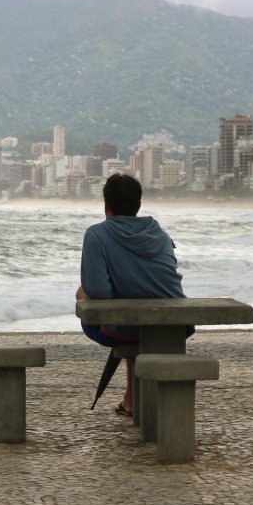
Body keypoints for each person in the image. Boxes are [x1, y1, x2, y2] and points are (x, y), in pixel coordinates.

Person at [75, 173, 187, 417]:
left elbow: (98, 292)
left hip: (126, 326)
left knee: (121, 321)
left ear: (106, 206)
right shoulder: (160, 233)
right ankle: (131, 400)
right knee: (135, 322)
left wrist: (82, 292)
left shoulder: (96, 234)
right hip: (175, 325)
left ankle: (134, 401)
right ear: (138, 205)